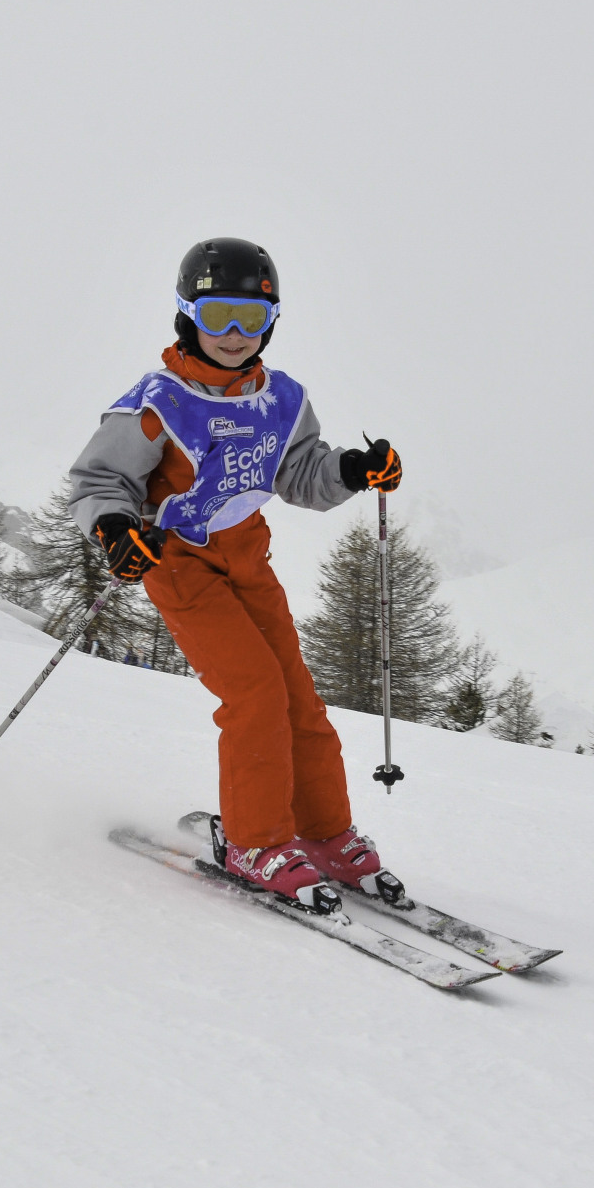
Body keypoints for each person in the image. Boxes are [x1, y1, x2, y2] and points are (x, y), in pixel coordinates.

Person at [69, 238, 404, 912]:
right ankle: (255, 842)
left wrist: (351, 470)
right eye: (216, 315)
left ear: (271, 321)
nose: (232, 334)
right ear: (186, 314)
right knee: (255, 693)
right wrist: (114, 529)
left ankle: (325, 834)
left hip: (248, 556)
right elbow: (99, 480)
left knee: (298, 698)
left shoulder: (283, 400)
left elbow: (299, 474)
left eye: (250, 318)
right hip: (178, 562)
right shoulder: (157, 402)